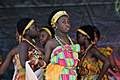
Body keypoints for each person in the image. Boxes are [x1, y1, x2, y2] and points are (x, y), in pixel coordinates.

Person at [36, 10, 80, 80]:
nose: (67, 24)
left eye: (68, 22)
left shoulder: (73, 41)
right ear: (56, 24)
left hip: (72, 76)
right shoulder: (51, 43)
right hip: (57, 76)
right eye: (64, 22)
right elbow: (45, 63)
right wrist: (37, 61)